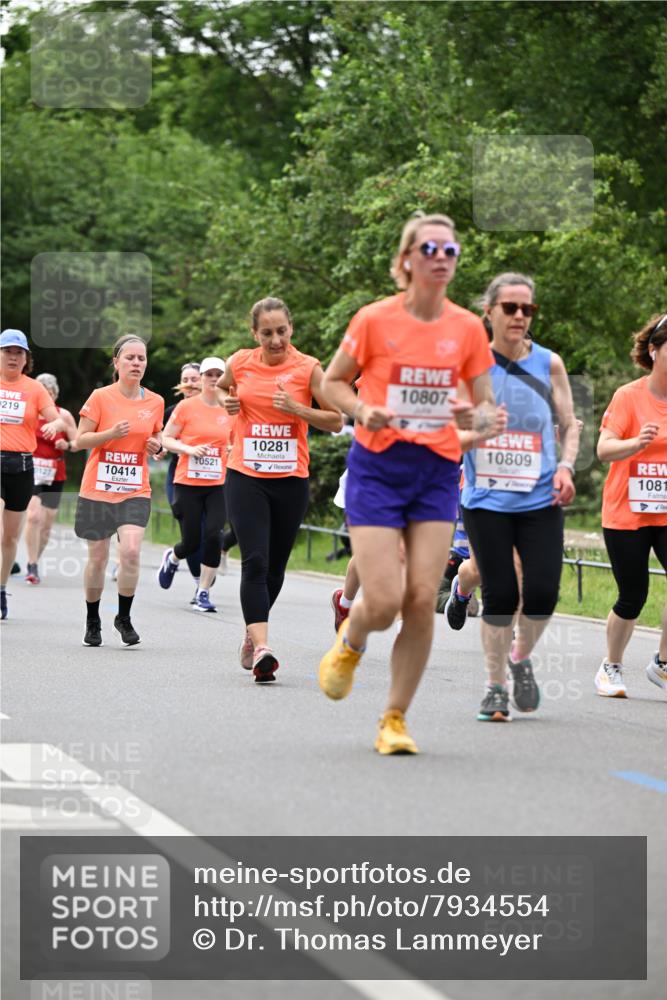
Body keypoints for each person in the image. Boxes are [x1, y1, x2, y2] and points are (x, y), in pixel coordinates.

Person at [318, 212, 502, 754]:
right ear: (407, 260)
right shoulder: (374, 319)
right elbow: (332, 383)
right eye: (430, 249)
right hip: (377, 471)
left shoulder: (467, 328)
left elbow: (483, 406)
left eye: (451, 250)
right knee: (384, 598)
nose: (441, 257)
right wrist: (361, 408)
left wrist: (482, 421)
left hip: (437, 475)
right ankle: (351, 641)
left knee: (422, 598)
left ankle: (393, 719)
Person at [461, 272, 579, 721]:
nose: (519, 316)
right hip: (486, 500)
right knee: (501, 594)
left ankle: (519, 656)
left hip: (540, 498)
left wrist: (566, 466)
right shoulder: (470, 367)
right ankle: (494, 688)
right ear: (488, 312)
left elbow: (569, 425)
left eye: (527, 309)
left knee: (545, 593)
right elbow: (447, 433)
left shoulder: (550, 363)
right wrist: (477, 430)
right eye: (510, 307)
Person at [219, 296, 343, 682]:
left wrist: (297, 409)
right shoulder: (239, 361)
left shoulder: (308, 368)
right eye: (267, 333)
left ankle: (251, 632)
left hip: (290, 480)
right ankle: (263, 649)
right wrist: (229, 402)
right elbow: (224, 388)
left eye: (282, 331)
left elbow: (336, 420)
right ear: (254, 333)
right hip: (246, 475)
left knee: (274, 568)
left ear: (291, 328)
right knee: (254, 561)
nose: (276, 340)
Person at [74, 335, 164, 647]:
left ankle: (123, 618)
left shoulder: (155, 402)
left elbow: (156, 438)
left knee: (131, 551)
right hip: (98, 489)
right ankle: (93, 619)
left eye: (141, 358)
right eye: (130, 358)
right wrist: (109, 434)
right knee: (97, 559)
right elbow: (79, 439)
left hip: (134, 489)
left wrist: (157, 446)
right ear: (116, 362)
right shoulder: (100, 397)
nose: (136, 363)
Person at [595, 312, 667, 697]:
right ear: (654, 350)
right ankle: (611, 666)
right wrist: (635, 444)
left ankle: (663, 664)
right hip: (628, 512)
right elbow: (603, 449)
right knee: (633, 594)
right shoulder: (629, 396)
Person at [158, 357, 233, 612]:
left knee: (214, 535)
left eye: (218, 374)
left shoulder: (231, 409)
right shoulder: (186, 407)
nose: (213, 378)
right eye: (209, 374)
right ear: (201, 378)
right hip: (187, 481)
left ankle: (203, 592)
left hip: (218, 483)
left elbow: (237, 441)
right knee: (191, 541)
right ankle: (173, 557)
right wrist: (189, 449)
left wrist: (233, 449)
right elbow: (166, 439)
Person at [0, 329, 63, 619]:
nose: (13, 357)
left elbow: (55, 417)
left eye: (19, 352)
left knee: (10, 538)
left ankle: (1, 590)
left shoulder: (34, 389)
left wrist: (54, 425)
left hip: (22, 466)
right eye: (7, 351)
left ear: (27, 358)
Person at [23, 373, 78, 584]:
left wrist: (67, 445)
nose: (46, 398)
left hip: (55, 472)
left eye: (50, 394)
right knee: (33, 516)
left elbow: (78, 441)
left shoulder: (63, 416)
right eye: (42, 393)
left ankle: (35, 559)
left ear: (55, 395)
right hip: (32, 470)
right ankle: (32, 564)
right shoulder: (29, 414)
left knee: (46, 523)